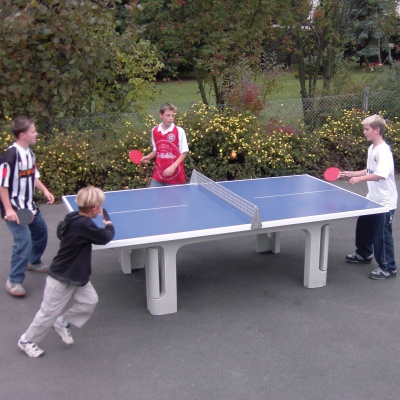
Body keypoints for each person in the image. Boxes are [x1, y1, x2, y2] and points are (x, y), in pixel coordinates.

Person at [18, 186, 115, 358]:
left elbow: (60, 230)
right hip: (62, 277)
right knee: (47, 313)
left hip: (78, 275)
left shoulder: (72, 218)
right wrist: (108, 225)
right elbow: (105, 237)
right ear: (94, 209)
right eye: (99, 207)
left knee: (90, 301)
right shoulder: (84, 225)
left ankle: (62, 321)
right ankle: (26, 340)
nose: (100, 209)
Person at [0, 116, 55, 297]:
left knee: (41, 234)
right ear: (23, 135)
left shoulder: (29, 154)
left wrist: (45, 191)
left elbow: (34, 176)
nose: (36, 133)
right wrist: (8, 209)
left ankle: (34, 261)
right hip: (15, 209)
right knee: (23, 241)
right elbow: (2, 185)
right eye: (33, 131)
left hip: (29, 207)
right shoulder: (10, 155)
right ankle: (14, 281)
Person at [340, 114, 398, 280]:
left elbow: (380, 174)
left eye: (367, 129)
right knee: (364, 226)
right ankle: (364, 254)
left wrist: (358, 179)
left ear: (377, 130)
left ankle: (388, 267)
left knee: (382, 235)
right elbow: (370, 170)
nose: (364, 132)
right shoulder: (372, 149)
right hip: (372, 198)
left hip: (384, 202)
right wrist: (351, 173)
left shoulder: (383, 151)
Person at [141, 103, 189, 187]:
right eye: (168, 115)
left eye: (172, 116)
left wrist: (173, 167)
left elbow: (184, 152)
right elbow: (156, 150)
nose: (171, 118)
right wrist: (148, 157)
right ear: (161, 115)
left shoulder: (179, 131)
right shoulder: (154, 131)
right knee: (153, 199)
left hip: (176, 178)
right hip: (158, 177)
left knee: (175, 201)